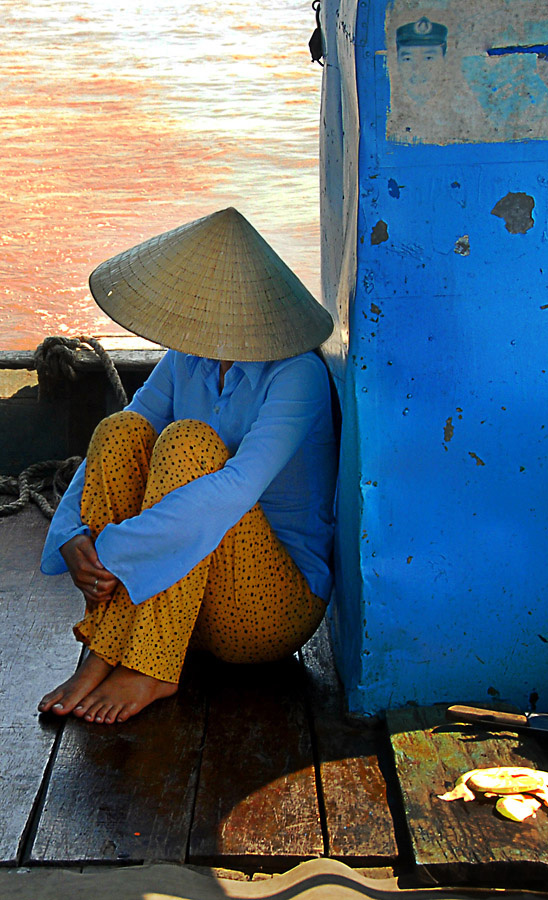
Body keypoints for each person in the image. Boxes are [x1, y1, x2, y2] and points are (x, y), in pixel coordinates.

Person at [38, 207, 337, 725]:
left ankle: (149, 664)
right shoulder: (187, 359)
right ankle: (105, 650)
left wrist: (112, 549)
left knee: (188, 444)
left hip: (268, 611)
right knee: (120, 431)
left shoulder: (297, 375)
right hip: (188, 605)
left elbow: (237, 488)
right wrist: (72, 533)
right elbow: (126, 429)